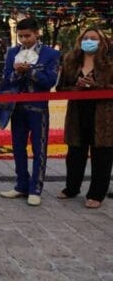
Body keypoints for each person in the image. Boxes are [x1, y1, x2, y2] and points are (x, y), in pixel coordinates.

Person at [0, 18, 59, 206]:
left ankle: (36, 188)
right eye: (21, 36)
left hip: (38, 108)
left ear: (37, 33)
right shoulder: (12, 52)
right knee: (18, 147)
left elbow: (50, 81)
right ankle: (21, 185)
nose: (24, 40)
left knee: (39, 148)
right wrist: (17, 72)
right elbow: (6, 80)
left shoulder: (50, 54)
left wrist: (30, 71)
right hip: (16, 107)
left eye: (27, 36)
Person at [56, 28, 113, 208]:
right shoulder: (70, 61)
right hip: (77, 114)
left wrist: (97, 86)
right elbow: (60, 88)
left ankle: (96, 194)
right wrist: (77, 87)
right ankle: (71, 188)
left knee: (102, 156)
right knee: (75, 153)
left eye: (94, 38)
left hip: (103, 117)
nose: (89, 41)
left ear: (102, 42)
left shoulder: (110, 63)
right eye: (86, 38)